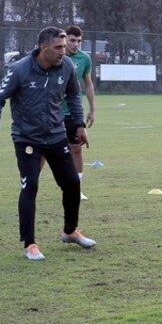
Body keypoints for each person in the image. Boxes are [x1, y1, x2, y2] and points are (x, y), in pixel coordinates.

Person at [0, 26, 96, 261]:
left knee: (73, 183)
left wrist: (78, 125)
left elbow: (73, 95)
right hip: (27, 139)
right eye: (58, 47)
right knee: (30, 186)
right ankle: (30, 244)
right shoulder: (20, 70)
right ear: (43, 47)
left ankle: (70, 231)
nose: (63, 52)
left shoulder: (66, 67)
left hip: (56, 136)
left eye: (65, 47)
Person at [63, 25, 97, 199]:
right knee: (43, 152)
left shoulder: (84, 59)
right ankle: (31, 188)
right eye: (72, 40)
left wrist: (92, 110)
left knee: (76, 148)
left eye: (78, 41)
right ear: (65, 39)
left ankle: (77, 189)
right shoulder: (56, 55)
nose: (75, 44)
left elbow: (88, 84)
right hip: (51, 112)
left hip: (72, 113)